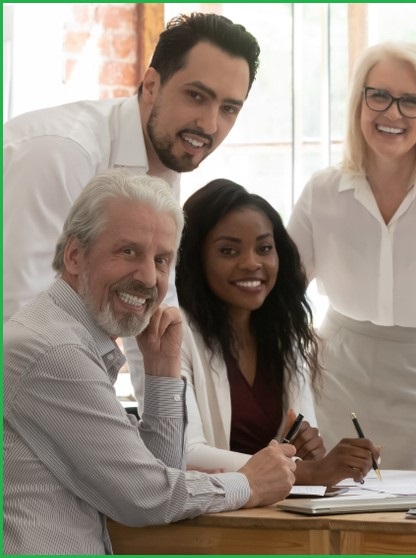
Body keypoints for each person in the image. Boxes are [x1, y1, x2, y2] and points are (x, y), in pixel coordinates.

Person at [2, 170, 296, 554]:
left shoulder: (66, 336)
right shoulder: (55, 352)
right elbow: (146, 496)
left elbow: (157, 476)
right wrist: (249, 482)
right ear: (75, 256)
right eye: (128, 251)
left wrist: (162, 371)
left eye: (161, 259)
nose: (147, 277)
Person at [288, 42, 416, 470]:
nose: (392, 113)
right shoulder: (321, 191)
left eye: (411, 102)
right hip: (334, 377)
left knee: (412, 522)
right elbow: (278, 302)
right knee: (333, 518)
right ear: (359, 102)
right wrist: (292, 396)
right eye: (378, 95)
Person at [3, 12, 260, 322]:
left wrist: (165, 369)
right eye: (195, 96)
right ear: (151, 85)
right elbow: (20, 320)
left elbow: (154, 306)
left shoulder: (165, 159)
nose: (209, 124)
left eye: (228, 108)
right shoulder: (65, 153)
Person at [174, 178, 379, 484]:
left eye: (264, 248)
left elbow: (302, 445)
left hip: (274, 508)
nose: (251, 263)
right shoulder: (175, 332)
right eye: (228, 251)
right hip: (211, 513)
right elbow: (185, 453)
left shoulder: (285, 334)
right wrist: (304, 470)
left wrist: (309, 452)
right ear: (196, 258)